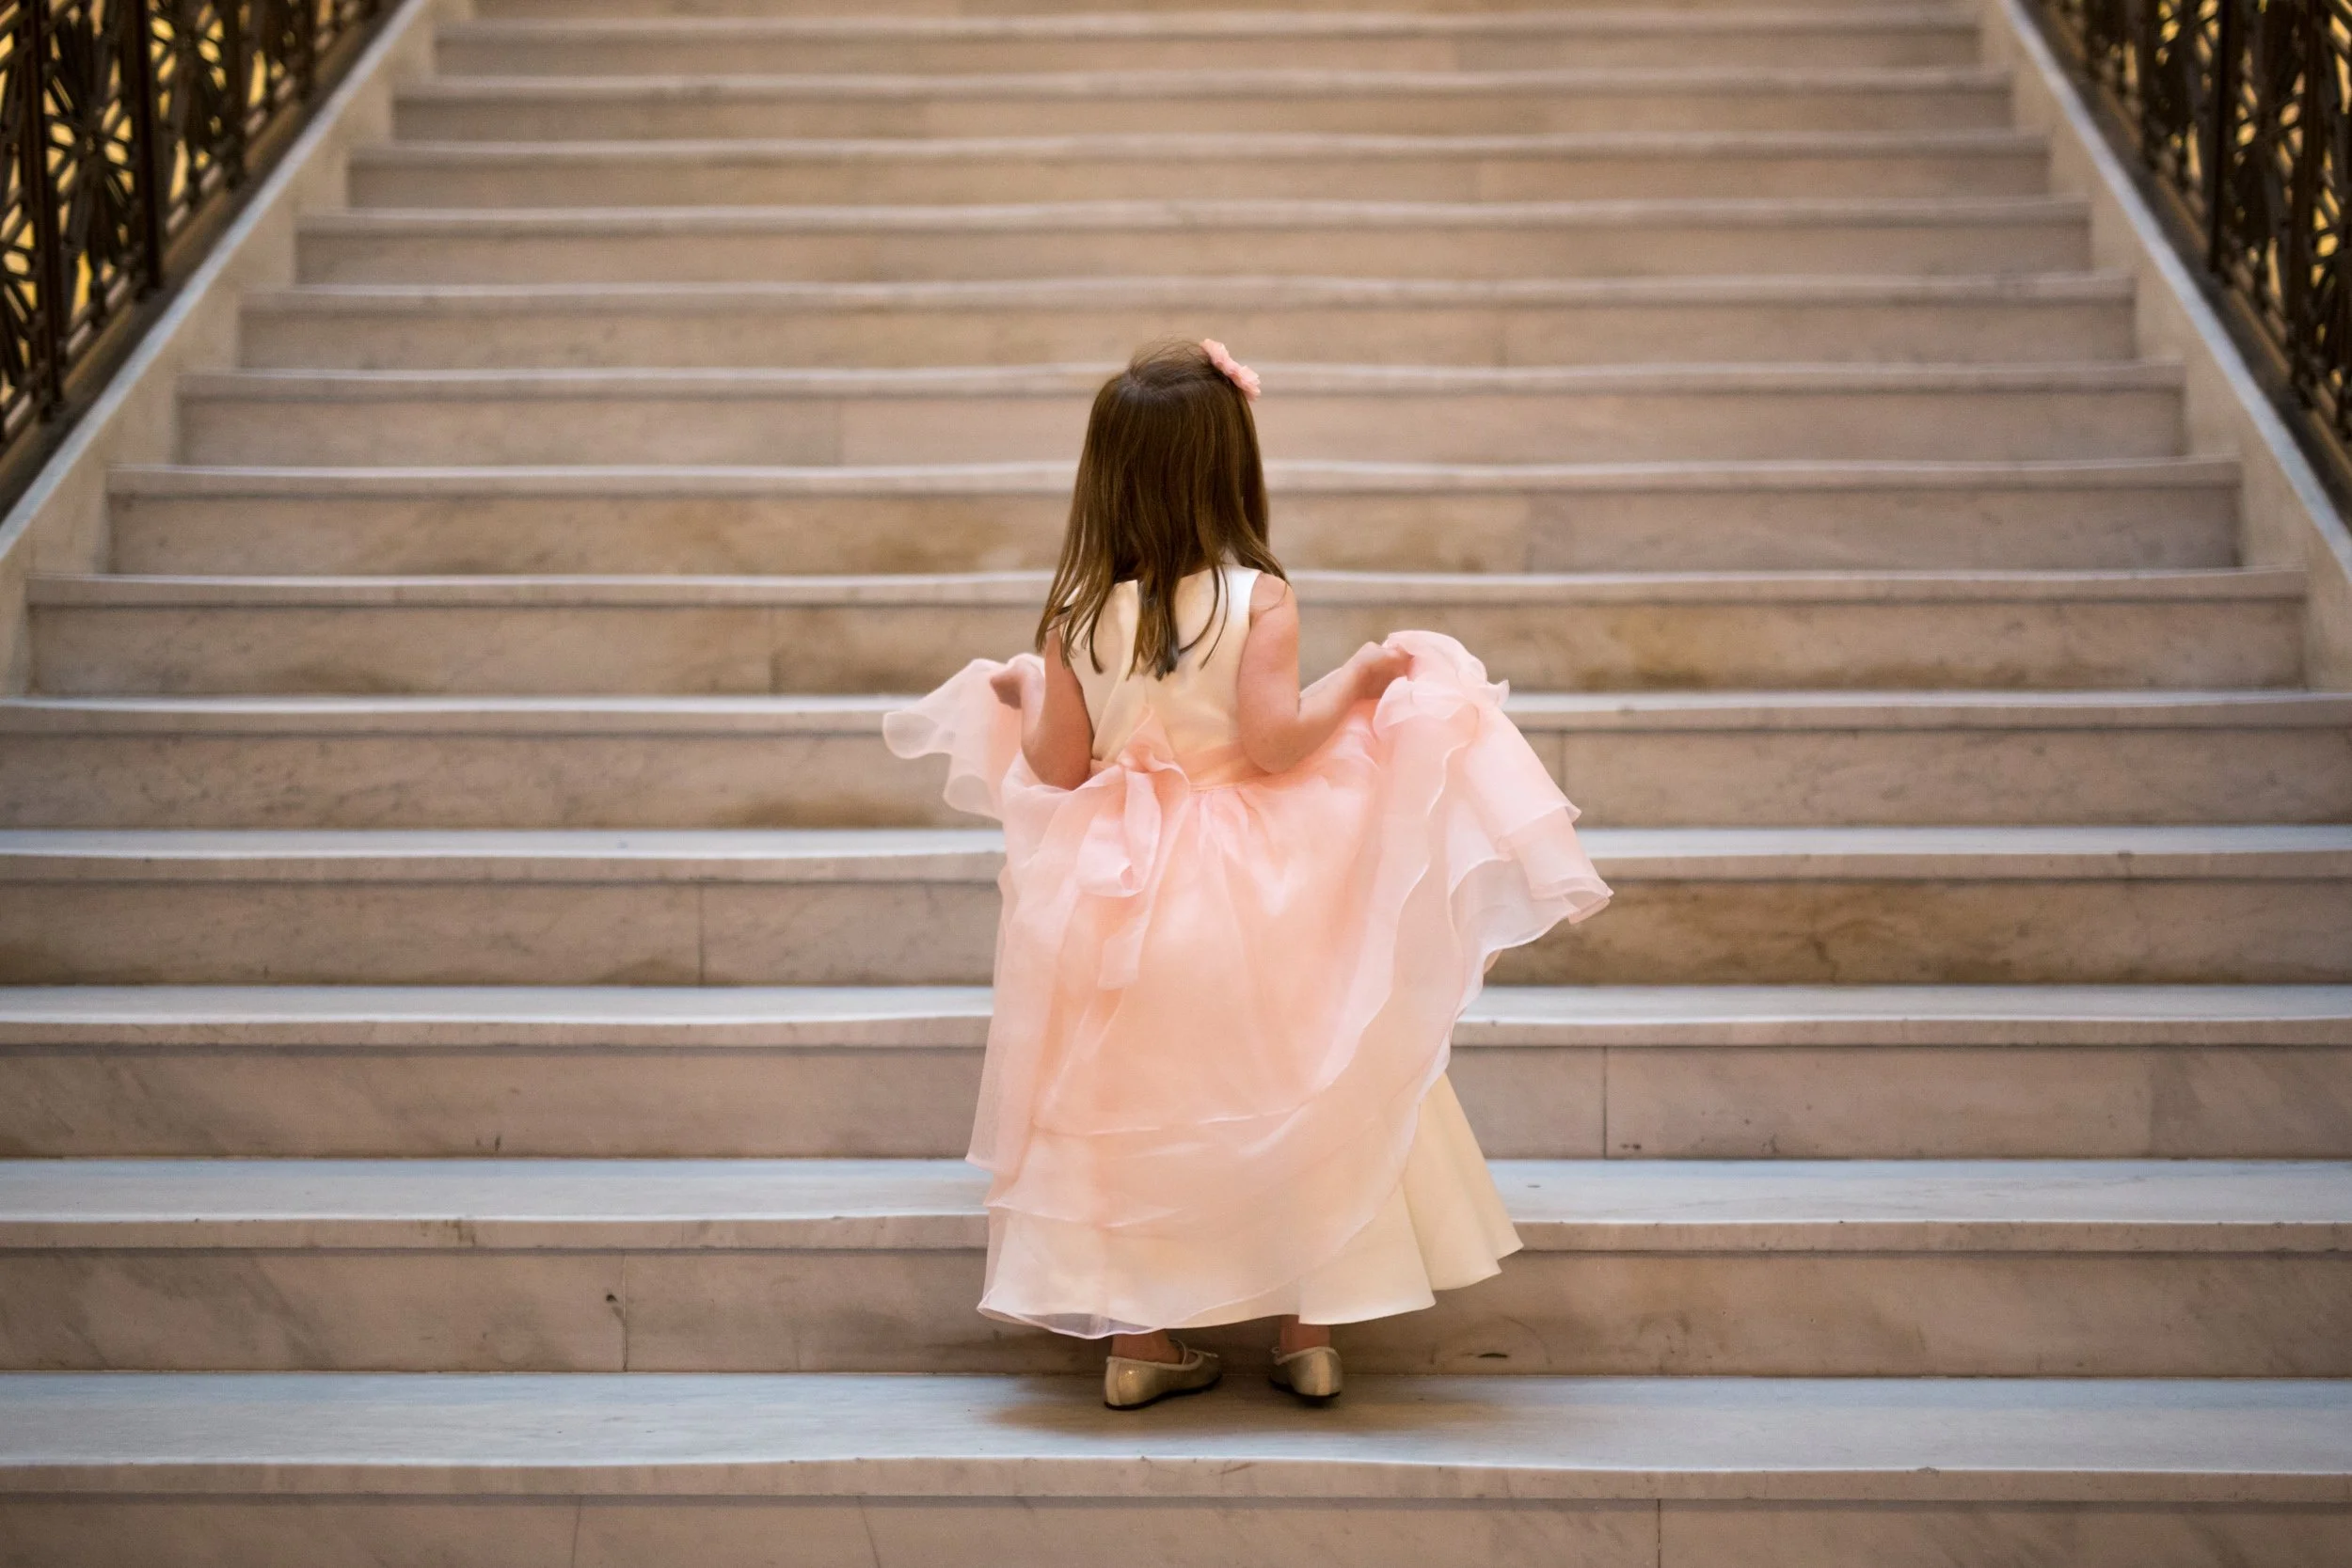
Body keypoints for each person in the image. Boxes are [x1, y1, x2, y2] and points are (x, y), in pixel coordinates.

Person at [884, 339, 1611, 1409]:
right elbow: (1274, 745)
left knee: (1121, 1102)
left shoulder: (1077, 611)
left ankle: (1137, 1340)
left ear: (1105, 474)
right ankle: (1309, 1325)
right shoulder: (1255, 594)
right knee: (1301, 1076)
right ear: (1228, 465)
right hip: (1251, 885)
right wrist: (1359, 676)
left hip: (1117, 891)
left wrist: (1021, 694)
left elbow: (1058, 767)